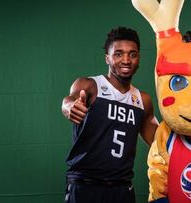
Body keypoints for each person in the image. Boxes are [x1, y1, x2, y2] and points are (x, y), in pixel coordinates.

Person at [61, 26, 158, 203]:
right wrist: (69, 107)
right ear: (108, 58)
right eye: (118, 54)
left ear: (139, 58)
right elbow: (69, 100)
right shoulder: (90, 85)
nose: (126, 60)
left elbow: (160, 141)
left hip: (122, 188)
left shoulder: (142, 100)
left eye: (133, 54)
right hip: (85, 186)